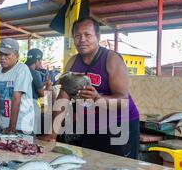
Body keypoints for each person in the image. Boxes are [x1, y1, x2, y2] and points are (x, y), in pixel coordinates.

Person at [40, 17, 140, 159]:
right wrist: (52, 133)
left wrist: (97, 98)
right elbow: (63, 98)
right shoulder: (73, 63)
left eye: (87, 35)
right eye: (77, 36)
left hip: (121, 125)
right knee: (90, 169)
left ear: (98, 37)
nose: (82, 40)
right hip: (91, 126)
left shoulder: (111, 59)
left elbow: (122, 101)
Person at [25, 48, 52, 134]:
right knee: (31, 133)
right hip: (31, 106)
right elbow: (42, 94)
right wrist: (48, 86)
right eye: (40, 61)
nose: (40, 63)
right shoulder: (35, 73)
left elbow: (32, 84)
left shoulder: (22, 70)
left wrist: (43, 83)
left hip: (20, 105)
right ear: (37, 60)